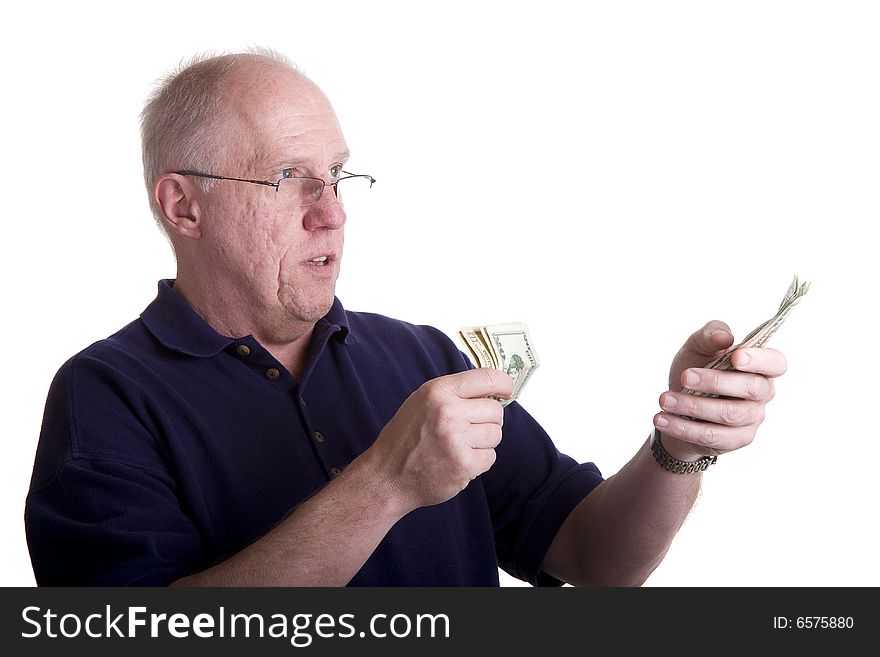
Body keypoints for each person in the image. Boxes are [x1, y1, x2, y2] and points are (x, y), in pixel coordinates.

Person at [25, 49, 787, 587]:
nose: (332, 213)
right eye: (290, 178)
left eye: (338, 175)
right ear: (185, 205)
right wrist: (386, 482)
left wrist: (678, 448)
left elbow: (595, 558)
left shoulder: (421, 356)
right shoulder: (104, 395)